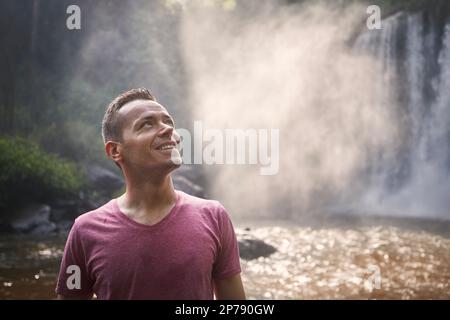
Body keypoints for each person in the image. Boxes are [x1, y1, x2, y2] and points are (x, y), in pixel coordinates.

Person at [55, 88, 246, 300]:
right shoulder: (84, 231)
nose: (167, 130)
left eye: (168, 122)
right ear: (115, 151)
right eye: (147, 124)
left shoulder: (214, 217)